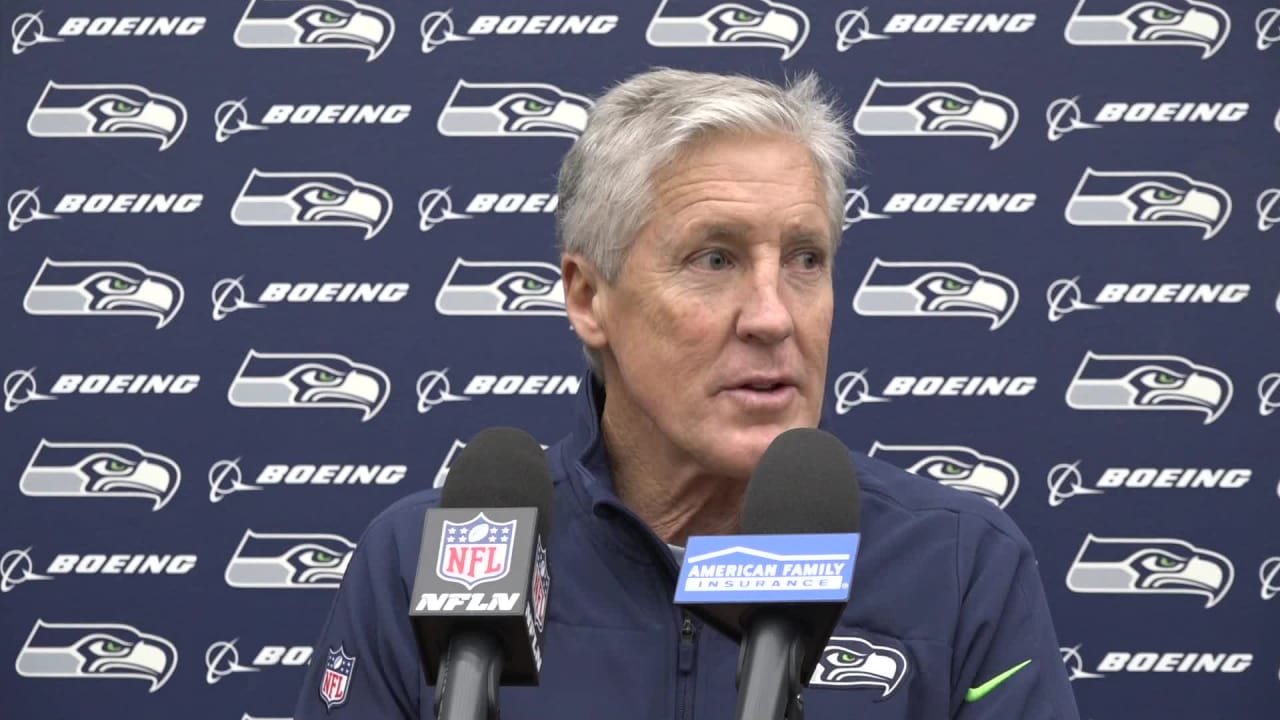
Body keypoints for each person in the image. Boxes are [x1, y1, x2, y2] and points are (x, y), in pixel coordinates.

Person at [293, 67, 1080, 719]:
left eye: (805, 259)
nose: (774, 316)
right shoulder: (418, 562)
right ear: (588, 297)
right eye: (714, 259)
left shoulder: (959, 564)